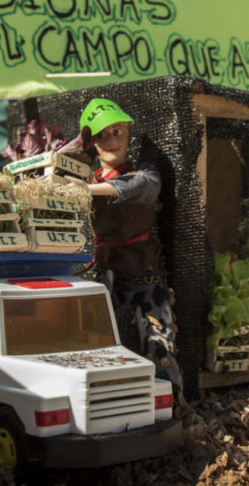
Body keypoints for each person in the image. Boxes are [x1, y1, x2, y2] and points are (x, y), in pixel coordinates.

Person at [65, 98, 183, 395]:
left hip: (144, 273)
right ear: (91, 144)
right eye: (101, 136)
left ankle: (170, 400)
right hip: (106, 273)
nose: (111, 141)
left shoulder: (144, 175)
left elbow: (138, 187)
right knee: (90, 336)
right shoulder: (83, 179)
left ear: (128, 134)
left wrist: (88, 190)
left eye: (117, 132)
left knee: (160, 341)